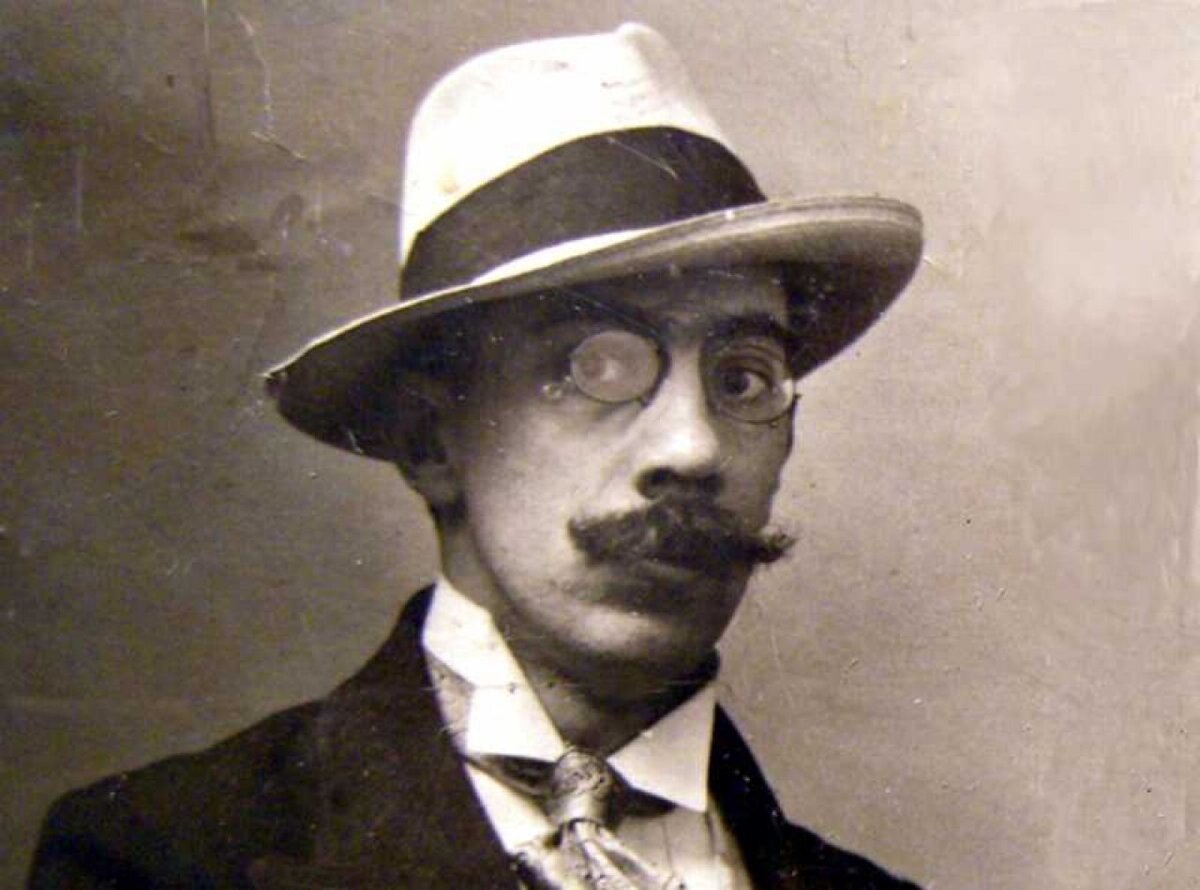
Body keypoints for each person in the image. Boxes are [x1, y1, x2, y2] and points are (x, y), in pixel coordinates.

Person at [29, 23, 923, 890]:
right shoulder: (161, 861)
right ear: (431, 440)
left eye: (743, 378)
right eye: (599, 366)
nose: (693, 448)